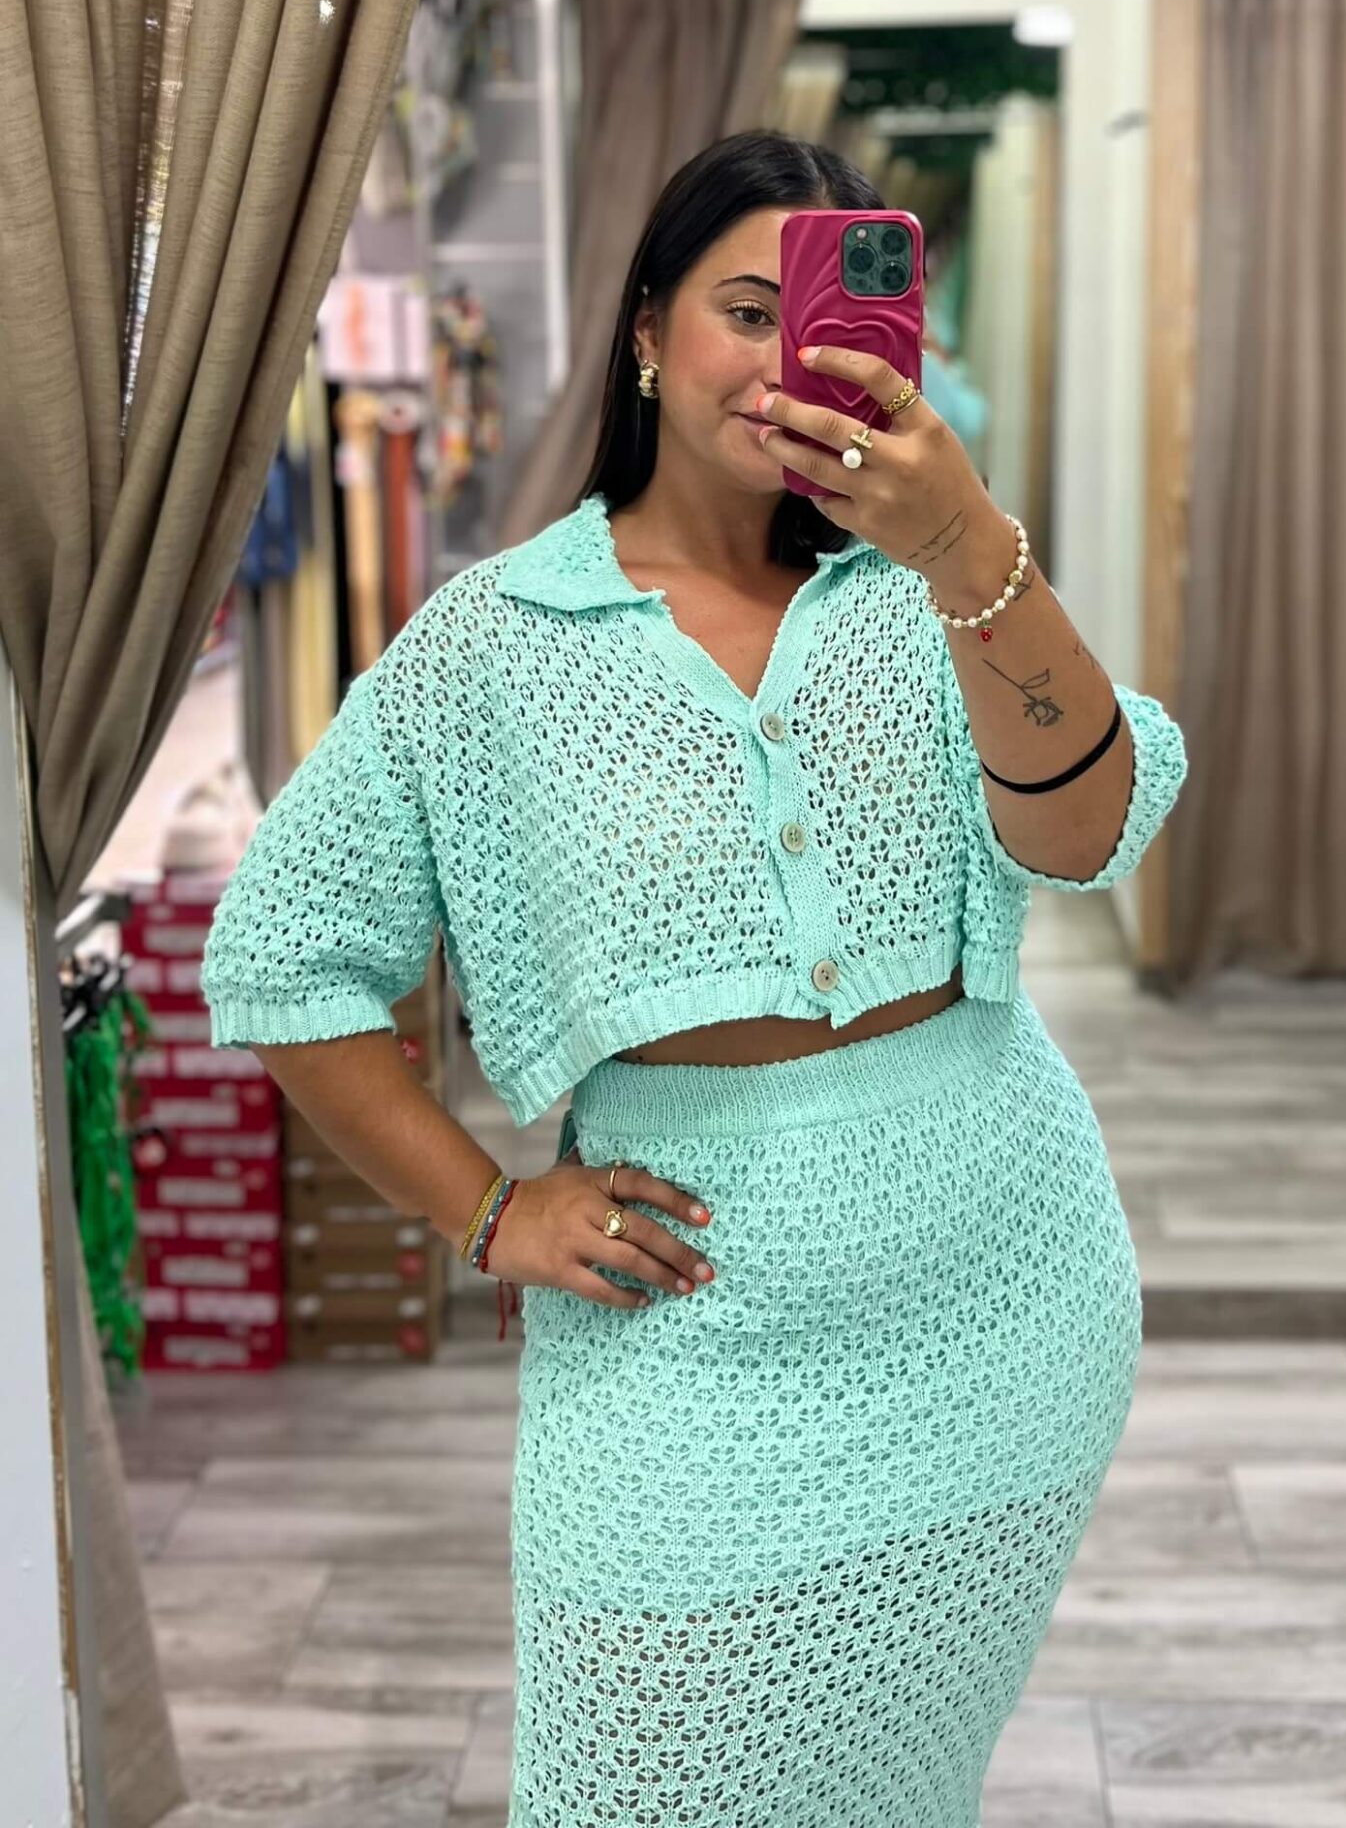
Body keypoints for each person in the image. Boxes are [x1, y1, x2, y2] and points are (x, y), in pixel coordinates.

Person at [200, 130, 1188, 1825]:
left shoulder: (935, 591)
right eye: (747, 309)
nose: (788, 360)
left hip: (1004, 1298)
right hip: (689, 1332)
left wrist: (969, 549)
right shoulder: (496, 644)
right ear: (649, 330)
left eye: (826, 318)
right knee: (634, 1783)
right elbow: (282, 954)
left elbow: (1092, 830)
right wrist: (488, 1216)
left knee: (899, 1789)